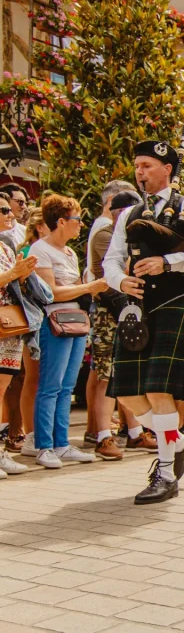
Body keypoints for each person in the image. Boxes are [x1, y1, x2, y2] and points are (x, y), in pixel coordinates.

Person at [103, 140, 184, 503]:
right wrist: (120, 281)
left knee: (158, 390)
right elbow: (111, 260)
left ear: (167, 169)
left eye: (147, 165)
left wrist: (167, 263)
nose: (140, 172)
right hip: (136, 307)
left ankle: (166, 473)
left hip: (171, 302)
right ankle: (179, 442)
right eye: (137, 165)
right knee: (128, 392)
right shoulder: (129, 213)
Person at [31, 195, 108, 469]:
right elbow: (49, 292)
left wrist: (87, 287)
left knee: (66, 387)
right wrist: (88, 287)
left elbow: (72, 286)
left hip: (74, 319)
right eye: (76, 219)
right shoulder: (39, 250)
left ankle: (61, 444)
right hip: (54, 320)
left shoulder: (69, 252)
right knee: (50, 386)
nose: (80, 224)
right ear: (61, 221)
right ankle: (43, 446)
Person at [85, 190, 156, 460]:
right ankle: (104, 437)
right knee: (105, 376)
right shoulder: (106, 235)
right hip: (109, 310)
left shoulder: (125, 236)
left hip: (126, 310)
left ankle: (136, 433)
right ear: (120, 213)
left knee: (126, 375)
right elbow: (113, 278)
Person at [0, 193, 36, 479]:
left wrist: (22, 275)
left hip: (9, 328)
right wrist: (14, 273)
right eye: (3, 209)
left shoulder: (7, 245)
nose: (10, 213)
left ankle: (0, 452)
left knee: (2, 389)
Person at [9, 208, 49, 457]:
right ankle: (26, 434)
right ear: (39, 227)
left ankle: (30, 433)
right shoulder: (26, 253)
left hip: (40, 321)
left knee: (33, 379)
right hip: (30, 322)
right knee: (30, 378)